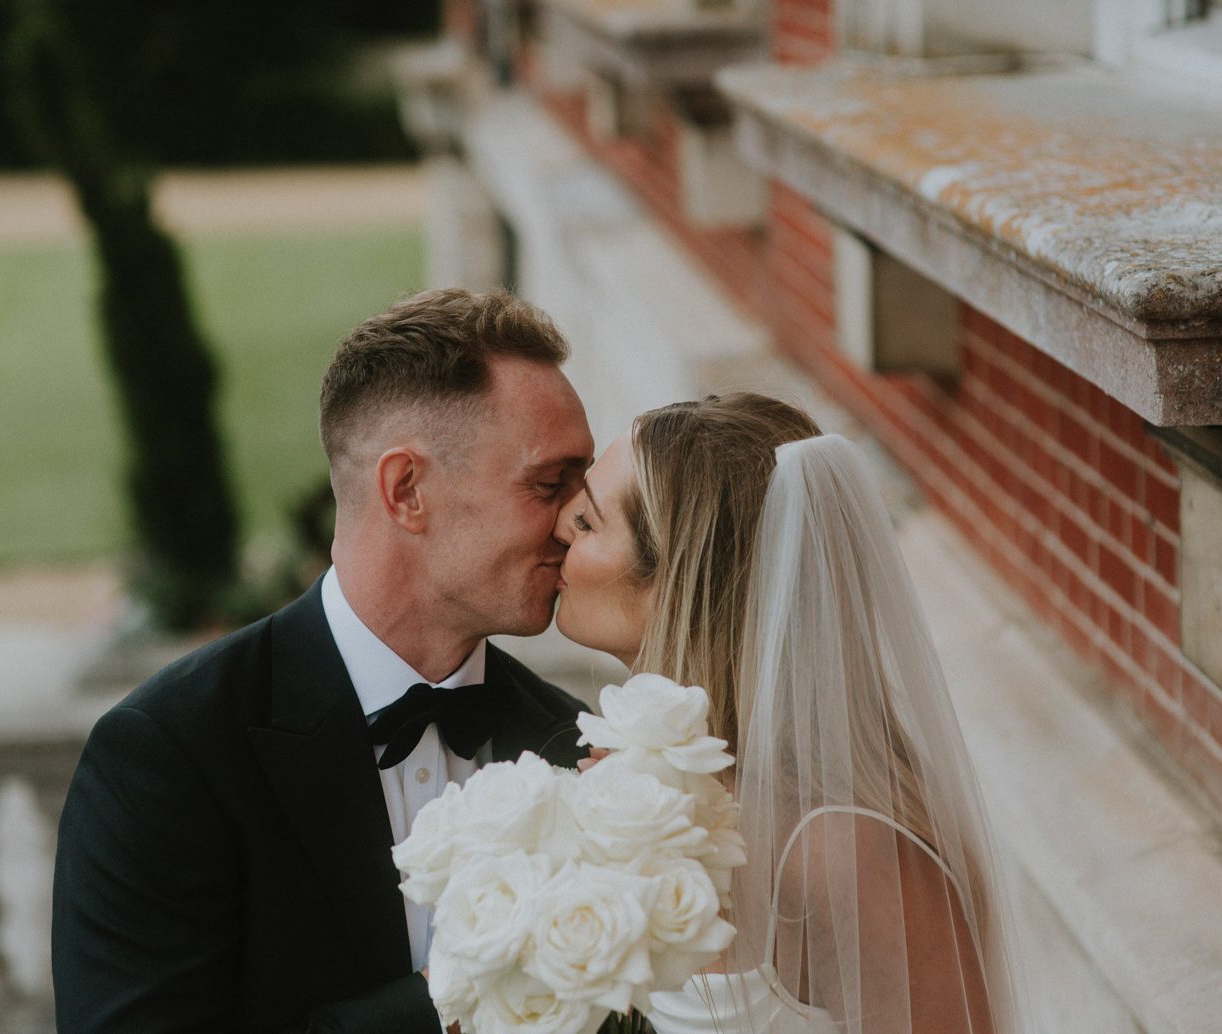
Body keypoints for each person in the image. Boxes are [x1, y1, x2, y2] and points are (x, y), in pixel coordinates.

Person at [51, 288, 596, 1032]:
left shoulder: (580, 750)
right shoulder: (169, 754)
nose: (576, 517)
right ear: (406, 490)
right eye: (548, 482)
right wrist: (456, 997)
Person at [554, 394, 1023, 1034]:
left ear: (681, 579)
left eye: (585, 523)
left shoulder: (843, 848)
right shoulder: (645, 791)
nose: (558, 528)